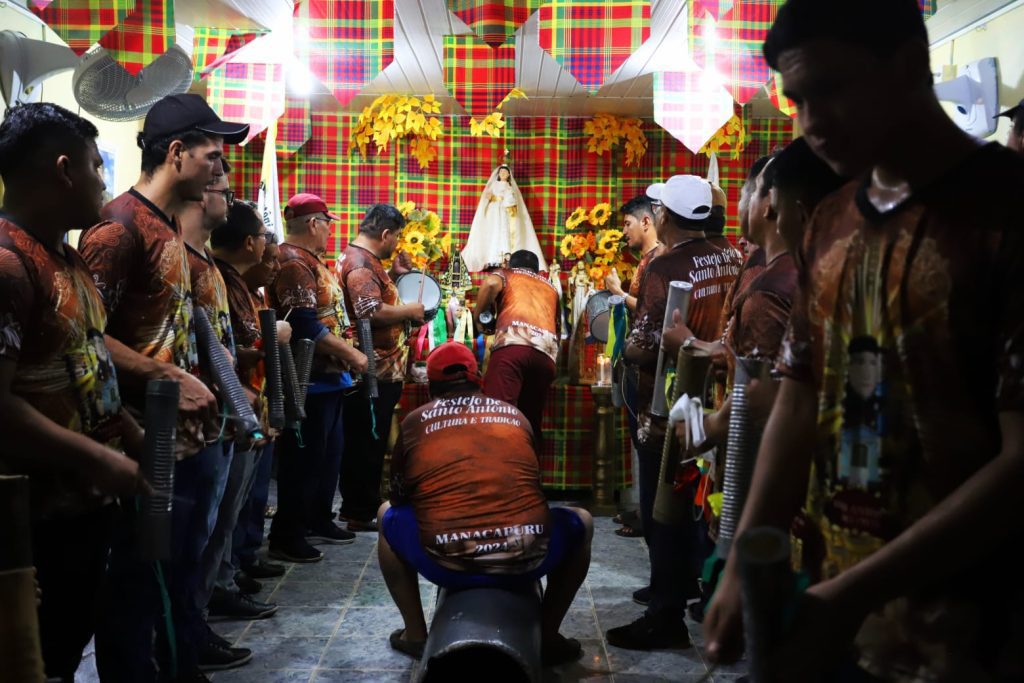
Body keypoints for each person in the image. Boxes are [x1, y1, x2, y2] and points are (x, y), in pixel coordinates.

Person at [704, 2, 1024, 680]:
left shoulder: (1007, 213)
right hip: (838, 619)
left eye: (833, 89)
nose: (811, 123)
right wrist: (740, 555)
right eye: (797, 100)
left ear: (909, 66)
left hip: (975, 633)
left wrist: (850, 596)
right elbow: (798, 397)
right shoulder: (828, 220)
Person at [79, 93, 248, 682]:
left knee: (172, 578)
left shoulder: (168, 227)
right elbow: (86, 338)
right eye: (212, 156)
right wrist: (165, 374)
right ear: (175, 154)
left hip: (183, 438)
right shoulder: (118, 229)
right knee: (133, 586)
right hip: (138, 442)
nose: (221, 170)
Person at [0, 102, 150, 683]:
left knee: (70, 638)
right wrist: (96, 456)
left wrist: (129, 434)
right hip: (33, 514)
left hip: (84, 502)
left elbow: (87, 358)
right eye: (96, 166)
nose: (103, 181)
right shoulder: (9, 262)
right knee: (35, 656)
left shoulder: (67, 256)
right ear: (64, 169)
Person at [378, 341, 593, 665]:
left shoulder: (415, 422)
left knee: (385, 514)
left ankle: (415, 635)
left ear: (431, 385)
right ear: (478, 378)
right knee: (584, 520)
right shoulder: (515, 416)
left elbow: (398, 495)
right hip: (528, 556)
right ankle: (548, 636)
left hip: (448, 562)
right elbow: (534, 486)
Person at [606, 174, 737, 651]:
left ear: (663, 217)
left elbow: (644, 347)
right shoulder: (731, 253)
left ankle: (665, 614)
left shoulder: (666, 267)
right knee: (708, 505)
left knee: (664, 510)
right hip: (719, 400)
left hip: (667, 408)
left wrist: (626, 349)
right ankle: (703, 591)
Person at [267, 192, 368, 563]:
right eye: (328, 223)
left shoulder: (311, 261)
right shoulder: (293, 263)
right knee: (304, 461)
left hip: (329, 378)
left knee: (328, 456)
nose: (329, 232)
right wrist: (353, 354)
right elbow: (304, 324)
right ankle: (288, 533)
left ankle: (317, 518)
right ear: (313, 223)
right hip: (307, 378)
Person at [208, 201, 290, 607]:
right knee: (222, 513)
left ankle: (227, 576)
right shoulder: (219, 279)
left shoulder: (234, 282)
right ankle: (219, 587)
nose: (266, 249)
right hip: (230, 408)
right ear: (248, 243)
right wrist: (271, 338)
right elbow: (226, 347)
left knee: (234, 506)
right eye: (262, 238)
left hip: (246, 405)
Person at [337, 204, 425, 531]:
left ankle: (362, 504)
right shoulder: (361, 264)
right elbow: (369, 310)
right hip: (373, 370)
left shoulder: (364, 260)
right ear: (385, 234)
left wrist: (396, 277)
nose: (397, 244)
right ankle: (359, 510)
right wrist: (409, 311)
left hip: (380, 367)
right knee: (367, 440)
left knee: (368, 439)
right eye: (397, 237)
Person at [232, 222, 287, 586]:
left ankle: (248, 554)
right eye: (269, 262)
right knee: (237, 497)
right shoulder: (228, 287)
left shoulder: (256, 294)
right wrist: (273, 337)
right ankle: (233, 567)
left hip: (263, 399)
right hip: (241, 402)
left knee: (256, 490)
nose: (274, 270)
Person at [474, 249, 560, 447]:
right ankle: (529, 472)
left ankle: (499, 472)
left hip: (513, 347)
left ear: (511, 265)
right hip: (546, 356)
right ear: (537, 270)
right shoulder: (551, 287)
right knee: (530, 421)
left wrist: (478, 317)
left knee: (499, 417)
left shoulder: (506, 274)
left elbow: (490, 283)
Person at [462, 165, 546, 273]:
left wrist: (508, 202)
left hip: (505, 212)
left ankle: (505, 259)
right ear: (498, 174)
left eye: (505, 172)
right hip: (493, 212)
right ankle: (491, 258)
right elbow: (487, 197)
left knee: (504, 233)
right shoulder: (494, 185)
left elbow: (512, 199)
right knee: (493, 233)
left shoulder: (509, 187)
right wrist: (489, 197)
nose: (502, 174)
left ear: (508, 175)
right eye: (501, 172)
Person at [603, 195, 662, 313]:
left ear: (645, 222)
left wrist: (618, 292)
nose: (624, 231)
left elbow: (651, 309)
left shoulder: (658, 261)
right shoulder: (648, 257)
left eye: (628, 224)